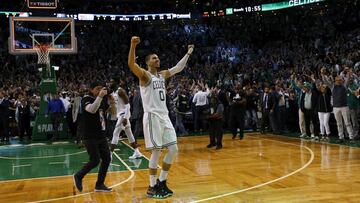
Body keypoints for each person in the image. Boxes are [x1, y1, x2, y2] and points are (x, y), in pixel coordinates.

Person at [128, 36, 194, 199]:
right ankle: (151, 186)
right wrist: (133, 45)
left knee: (173, 149)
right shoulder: (144, 76)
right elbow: (131, 65)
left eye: (158, 57)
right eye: (154, 58)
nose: (157, 59)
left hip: (164, 116)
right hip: (152, 117)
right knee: (156, 152)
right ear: (148, 62)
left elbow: (178, 68)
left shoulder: (162, 75)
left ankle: (162, 181)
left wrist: (189, 53)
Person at [73, 82, 112, 193]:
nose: (99, 91)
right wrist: (100, 96)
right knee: (95, 160)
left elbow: (106, 113)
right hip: (89, 135)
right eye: (97, 89)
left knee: (107, 159)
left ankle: (99, 185)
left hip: (101, 134)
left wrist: (113, 104)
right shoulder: (86, 99)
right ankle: (78, 176)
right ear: (91, 89)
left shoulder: (102, 99)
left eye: (101, 89)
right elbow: (92, 109)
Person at [110, 86, 143, 159]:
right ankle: (137, 152)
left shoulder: (120, 91)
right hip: (121, 115)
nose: (110, 83)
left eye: (112, 82)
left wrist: (125, 118)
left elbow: (127, 105)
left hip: (123, 116)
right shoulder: (114, 92)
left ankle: (110, 155)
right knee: (130, 135)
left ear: (116, 82)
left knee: (115, 134)